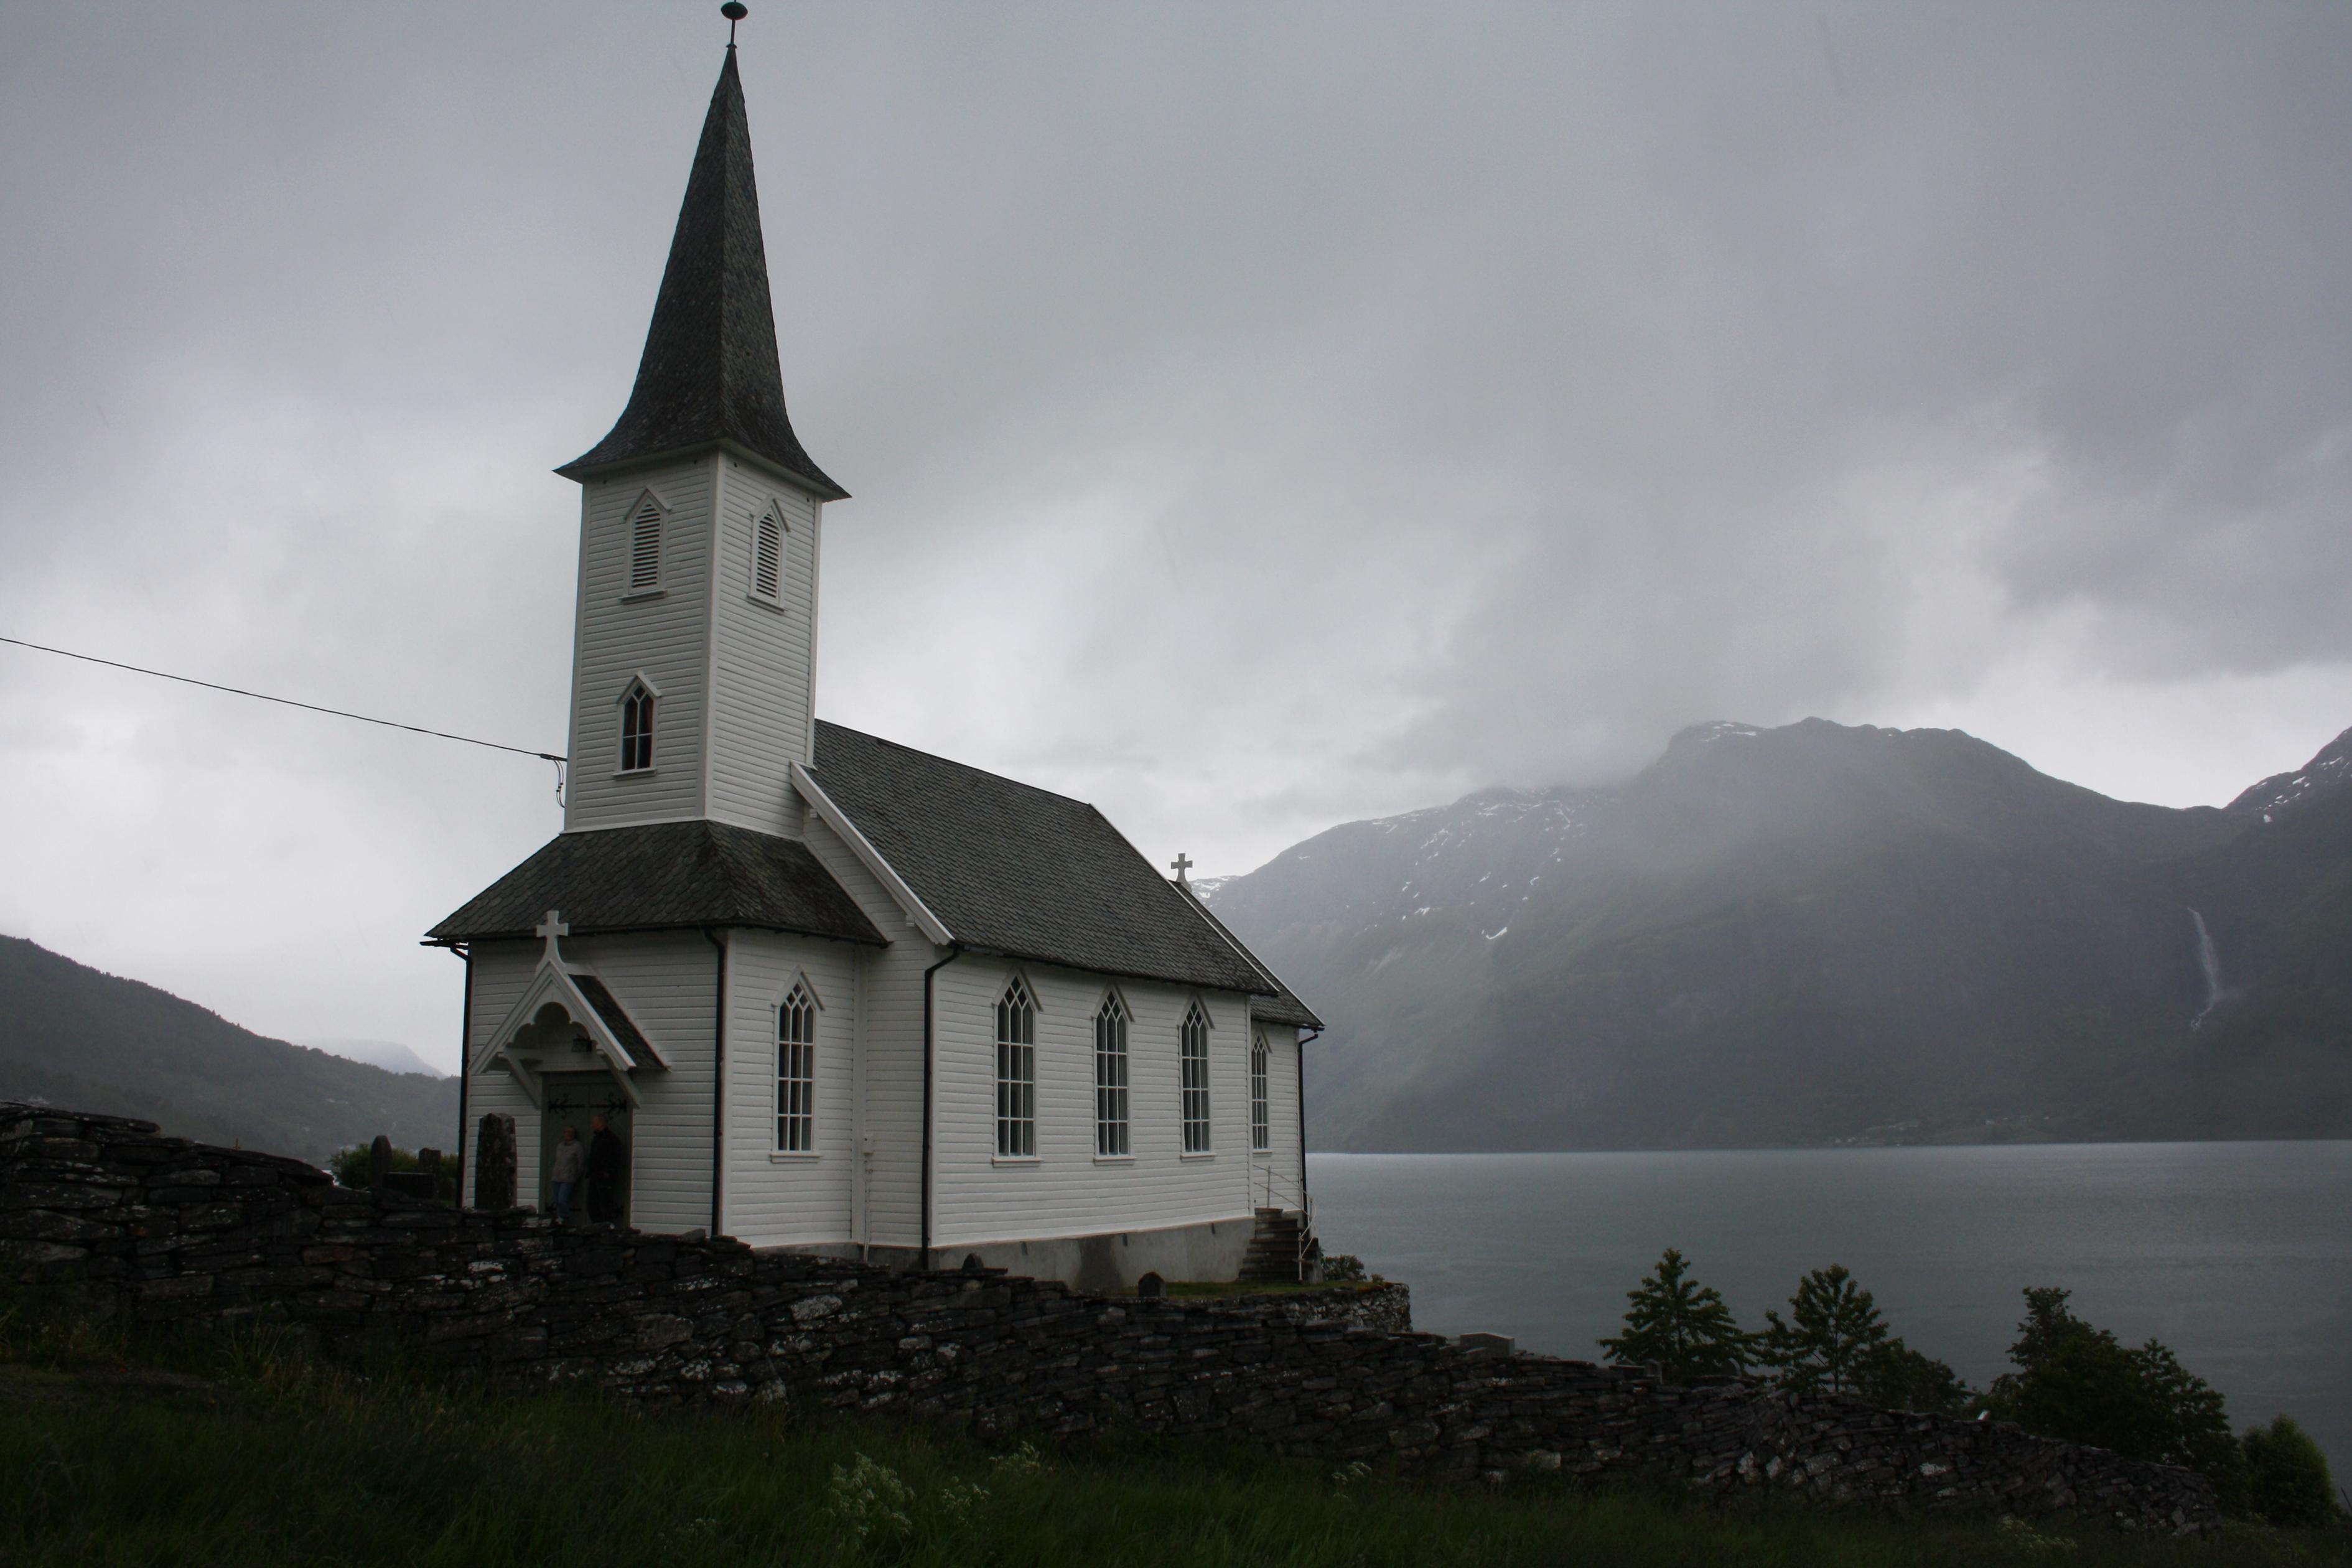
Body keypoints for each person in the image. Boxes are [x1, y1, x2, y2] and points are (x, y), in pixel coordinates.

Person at [586, 1113, 626, 1226]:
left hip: (604, 1177)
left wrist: (607, 1172)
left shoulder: (611, 1139)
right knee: (592, 1205)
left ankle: (608, 1228)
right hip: (595, 1176)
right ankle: (597, 1227)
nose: (592, 1125)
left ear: (601, 1123)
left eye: (594, 1122)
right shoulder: (597, 1138)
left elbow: (615, 1157)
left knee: (605, 1205)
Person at [548, 1124, 586, 1224]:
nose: (569, 1134)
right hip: (556, 1177)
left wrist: (575, 1175)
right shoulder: (559, 1146)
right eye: (567, 1132)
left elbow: (581, 1162)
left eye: (571, 1132)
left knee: (562, 1200)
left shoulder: (577, 1146)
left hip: (568, 1178)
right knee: (556, 1201)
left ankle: (565, 1219)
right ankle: (559, 1219)